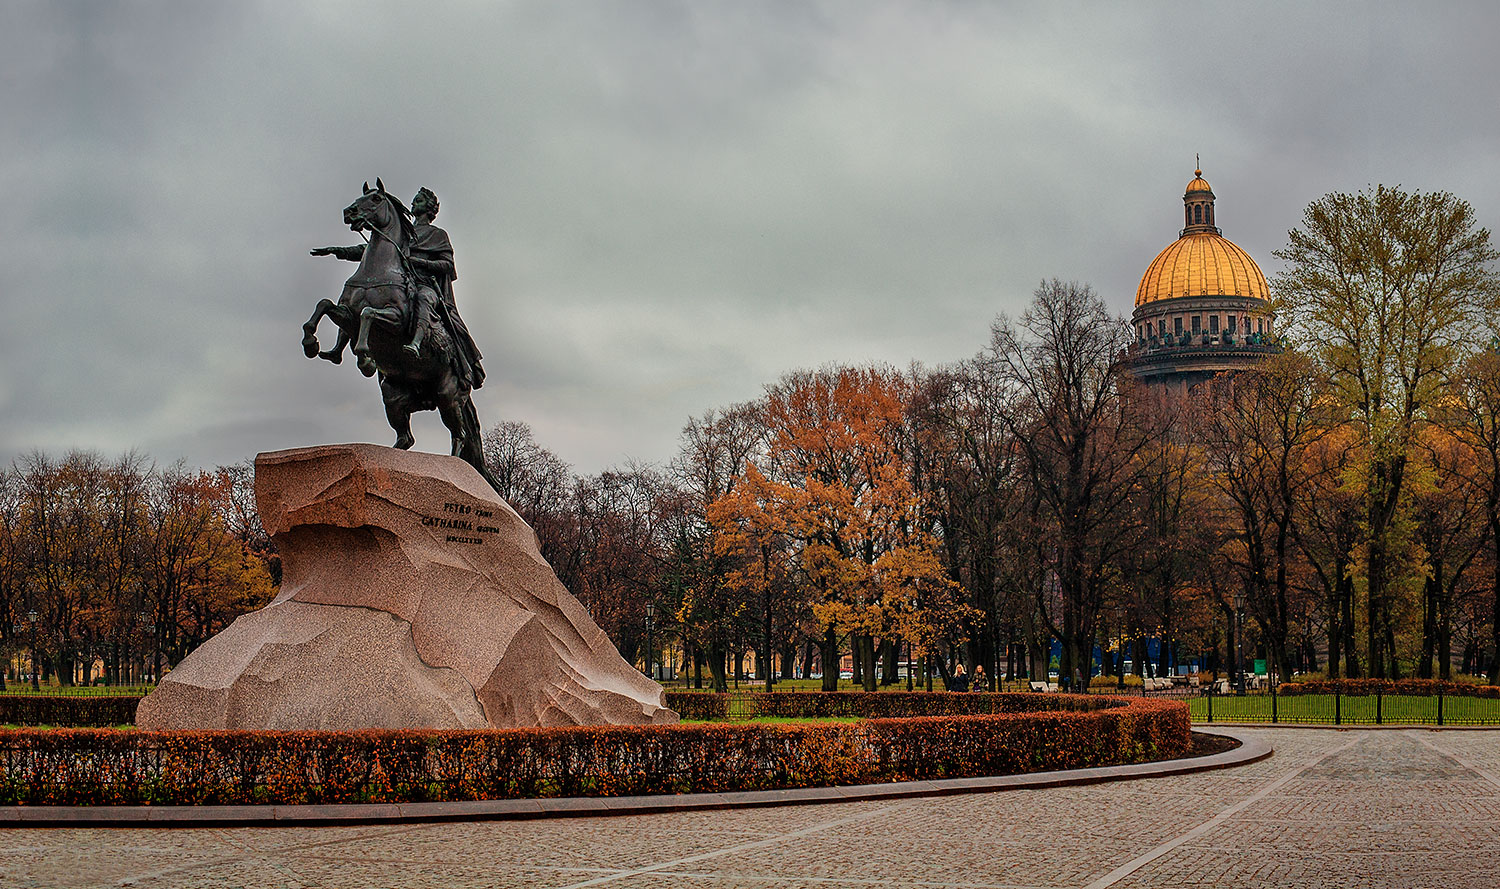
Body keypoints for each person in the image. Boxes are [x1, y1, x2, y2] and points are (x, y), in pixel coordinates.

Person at [310, 187, 485, 390]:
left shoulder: (437, 234)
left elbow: (447, 265)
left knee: (423, 298)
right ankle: (338, 349)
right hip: (399, 280)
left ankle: (416, 342)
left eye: (419, 201)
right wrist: (338, 251)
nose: (413, 204)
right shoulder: (402, 232)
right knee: (357, 297)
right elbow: (369, 250)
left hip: (425, 284)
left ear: (429, 208)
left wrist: (418, 261)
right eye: (414, 200)